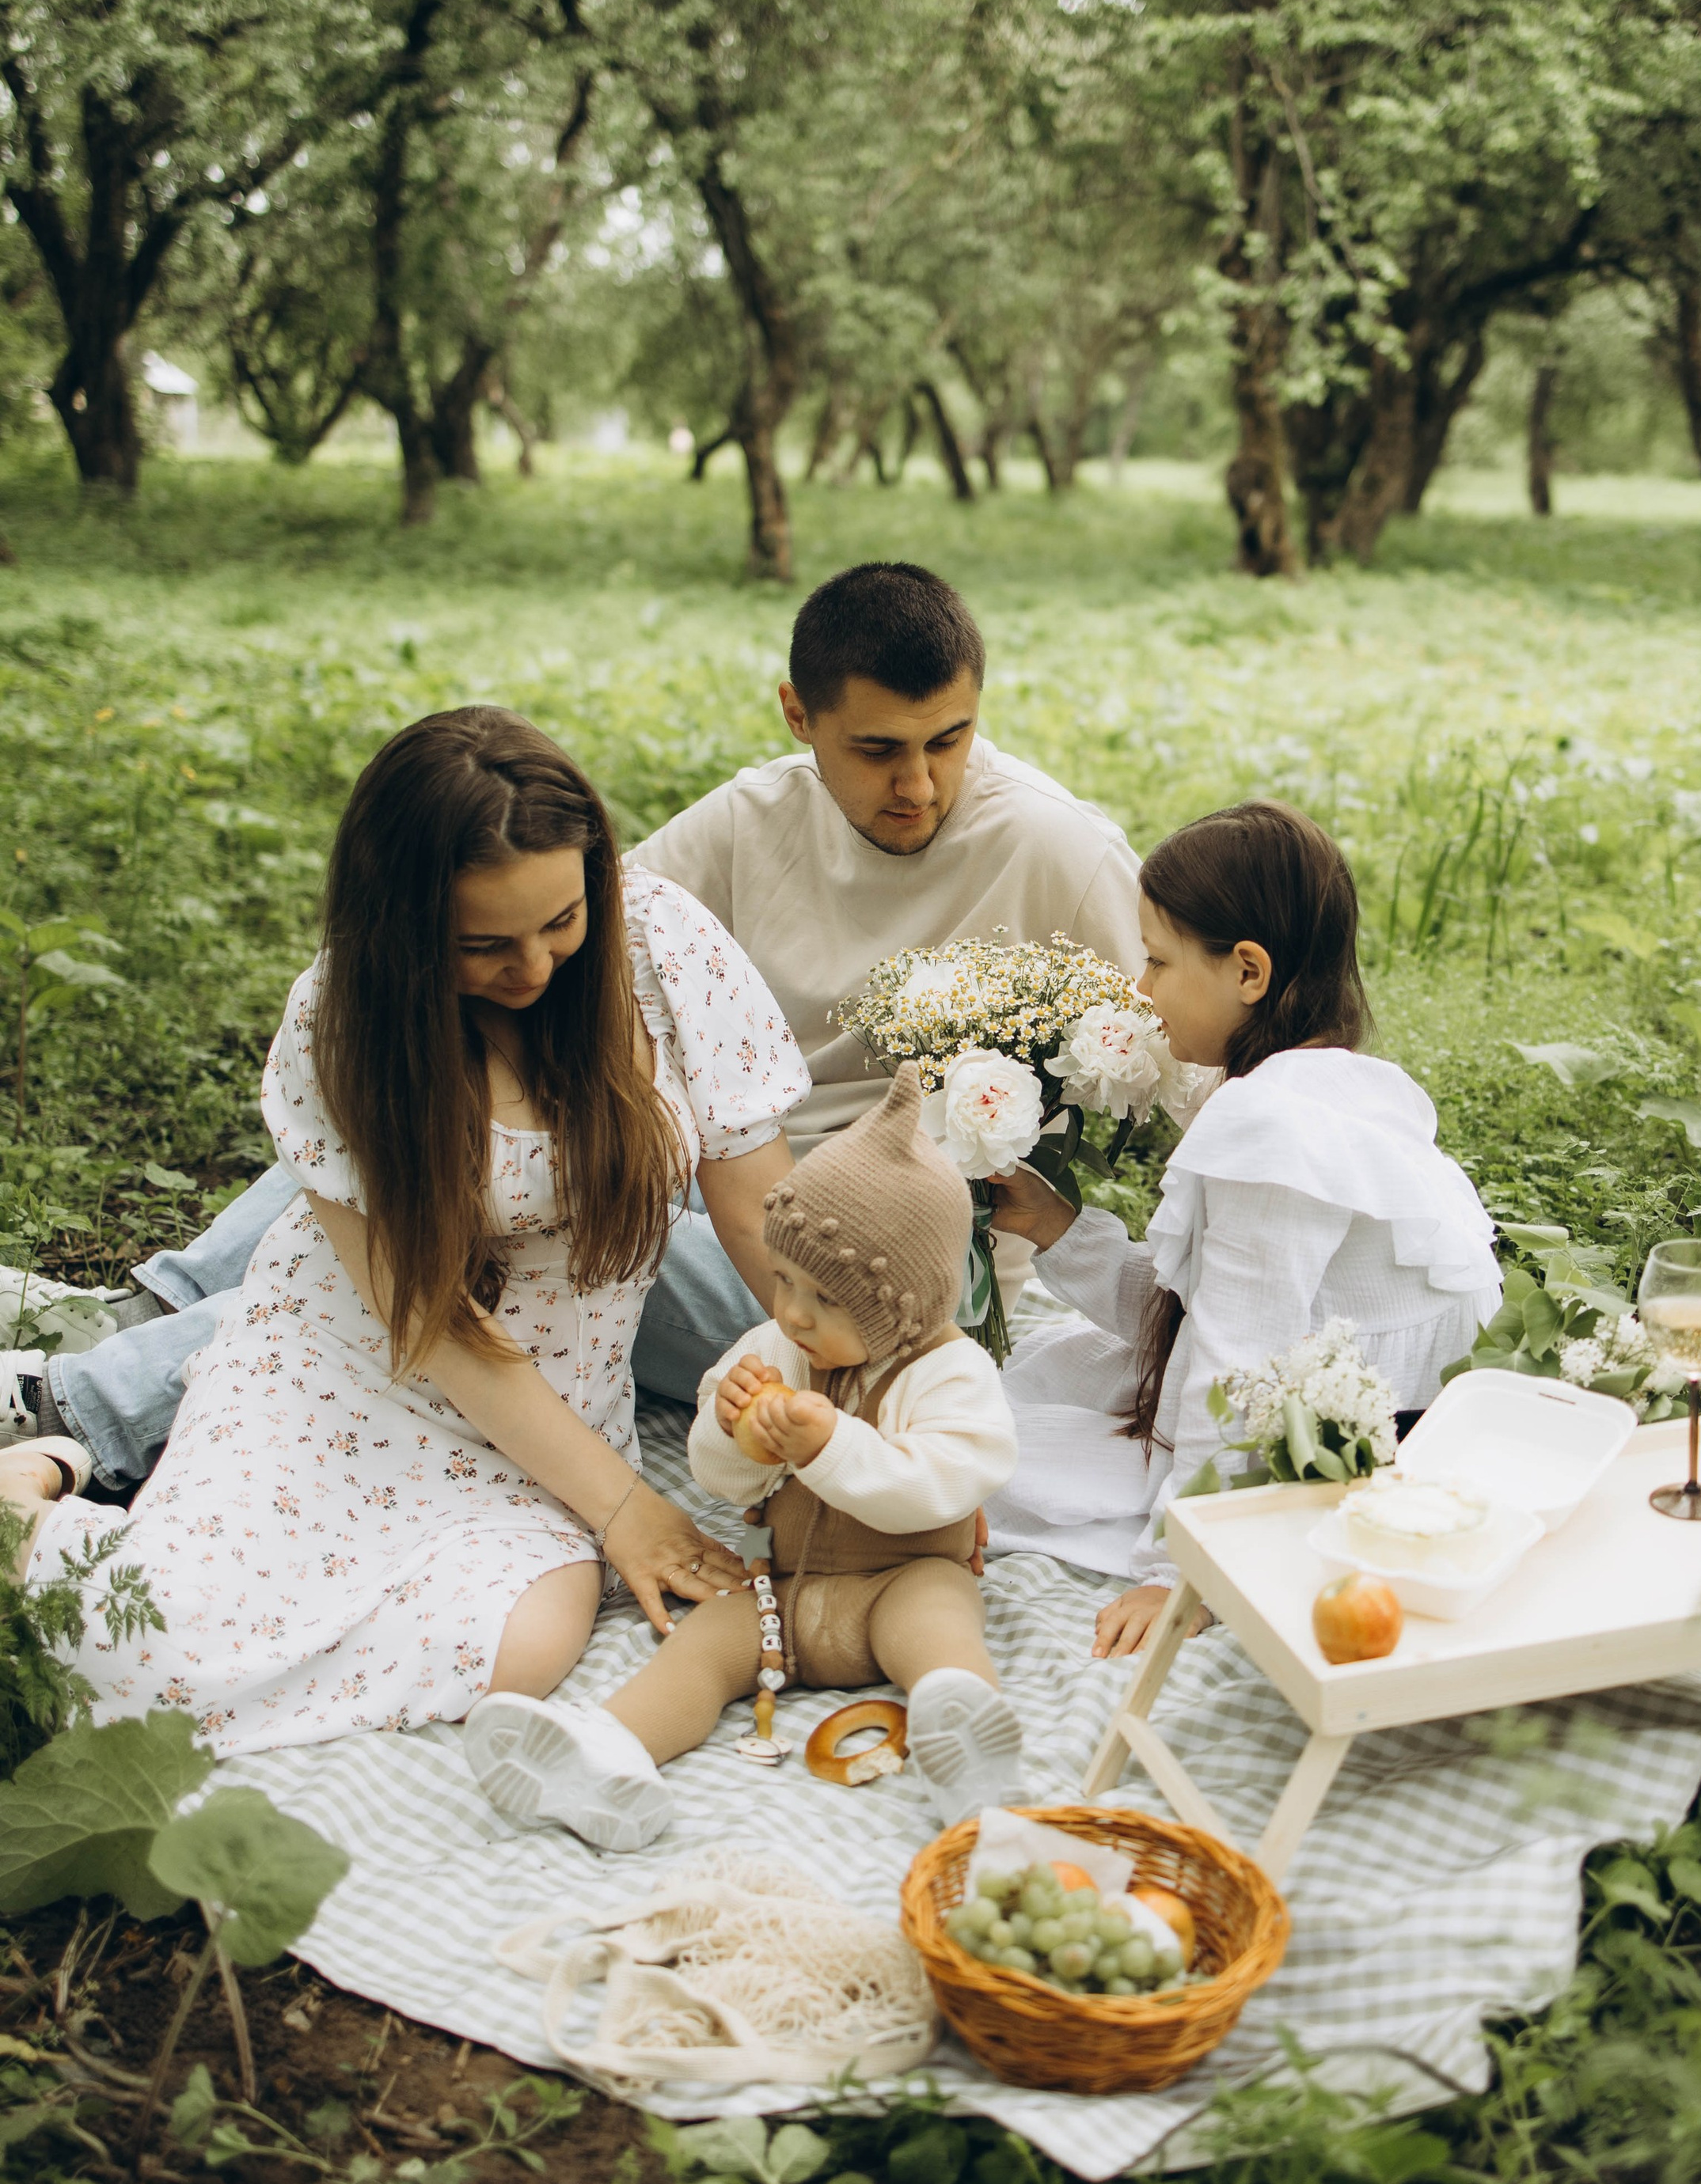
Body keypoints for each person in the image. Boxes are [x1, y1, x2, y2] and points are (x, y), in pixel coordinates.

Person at [3, 563, 1141, 1481]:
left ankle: (86, 1404)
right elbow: (576, 956)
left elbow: (1170, 1042)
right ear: (800, 716)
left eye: (951, 741)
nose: (922, 786)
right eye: (880, 749)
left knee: (515, 1256)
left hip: (837, 1243)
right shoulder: (751, 819)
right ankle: (157, 1306)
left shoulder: (1057, 847)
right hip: (688, 1168)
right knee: (429, 1156)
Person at [0, 710, 807, 1753]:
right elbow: (429, 1319)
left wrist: (867, 1408)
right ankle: (36, 1504)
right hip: (351, 1369)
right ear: (407, 928)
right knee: (149, 1657)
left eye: (562, 921)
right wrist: (625, 1512)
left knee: (520, 1646)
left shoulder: (665, 946)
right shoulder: (343, 1020)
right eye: (484, 945)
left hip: (556, 1407)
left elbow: (761, 1219)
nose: (535, 968)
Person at [984, 802, 1505, 1658]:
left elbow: (1235, 1354)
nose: (1140, 990)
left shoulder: (1274, 1126)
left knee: (979, 1461)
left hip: (1350, 1445)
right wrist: (1058, 1227)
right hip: (1335, 1396)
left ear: (1248, 973)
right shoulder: (1334, 1085)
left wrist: (1179, 1571)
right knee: (1028, 1388)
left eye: (1156, 961)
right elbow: (1199, 1311)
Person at [465, 1066, 1023, 1848]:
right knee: (699, 1650)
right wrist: (733, 1434)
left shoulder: (950, 1376)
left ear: (906, 1307)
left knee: (938, 1624)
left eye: (823, 1301)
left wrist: (832, 1446)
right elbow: (720, 1481)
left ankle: (961, 1739)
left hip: (900, 1577)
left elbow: (938, 1489)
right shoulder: (779, 1347)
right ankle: (608, 1754)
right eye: (784, 1281)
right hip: (783, 1588)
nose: (789, 1312)